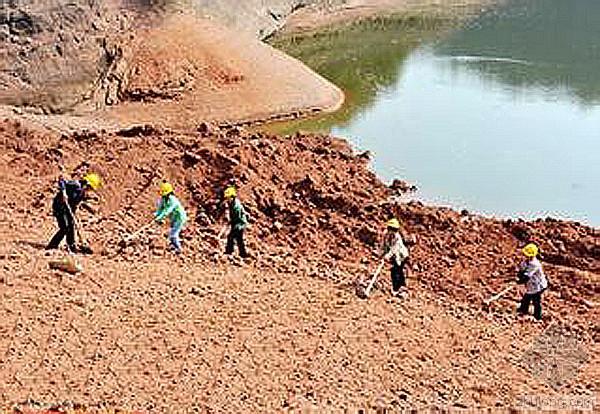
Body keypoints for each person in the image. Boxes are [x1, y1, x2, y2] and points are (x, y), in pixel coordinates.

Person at [46, 173, 102, 252]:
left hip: (68, 208)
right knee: (65, 227)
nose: (90, 190)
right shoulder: (75, 184)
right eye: (90, 188)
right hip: (59, 206)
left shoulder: (82, 193)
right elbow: (61, 180)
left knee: (71, 226)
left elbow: (75, 204)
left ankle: (71, 246)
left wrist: (74, 213)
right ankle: (52, 246)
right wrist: (64, 192)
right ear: (87, 184)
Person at [516, 243, 548, 321]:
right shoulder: (525, 262)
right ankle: (523, 310)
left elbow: (527, 276)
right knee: (527, 297)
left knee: (536, 301)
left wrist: (519, 281)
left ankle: (537, 316)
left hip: (538, 286)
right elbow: (522, 271)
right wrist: (519, 275)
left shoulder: (535, 264)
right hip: (531, 285)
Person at [154, 181, 187, 254]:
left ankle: (179, 249)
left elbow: (167, 210)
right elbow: (160, 208)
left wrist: (160, 218)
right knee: (172, 232)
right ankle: (173, 245)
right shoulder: (163, 199)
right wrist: (156, 215)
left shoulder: (173, 200)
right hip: (173, 218)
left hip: (180, 218)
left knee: (173, 234)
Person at [381, 218, 410, 297]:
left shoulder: (397, 237)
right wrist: (382, 254)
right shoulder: (385, 235)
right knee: (395, 271)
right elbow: (383, 245)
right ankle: (397, 289)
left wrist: (387, 256)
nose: (393, 231)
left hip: (401, 256)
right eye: (392, 229)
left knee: (397, 271)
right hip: (394, 256)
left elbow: (395, 249)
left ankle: (401, 289)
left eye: (395, 229)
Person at [224, 186, 248, 258]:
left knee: (230, 237)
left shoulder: (236, 206)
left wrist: (231, 223)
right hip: (237, 222)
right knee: (239, 239)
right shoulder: (232, 203)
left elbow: (237, 218)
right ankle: (243, 254)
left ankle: (229, 251)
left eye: (228, 198)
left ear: (232, 197)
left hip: (240, 223)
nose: (227, 200)